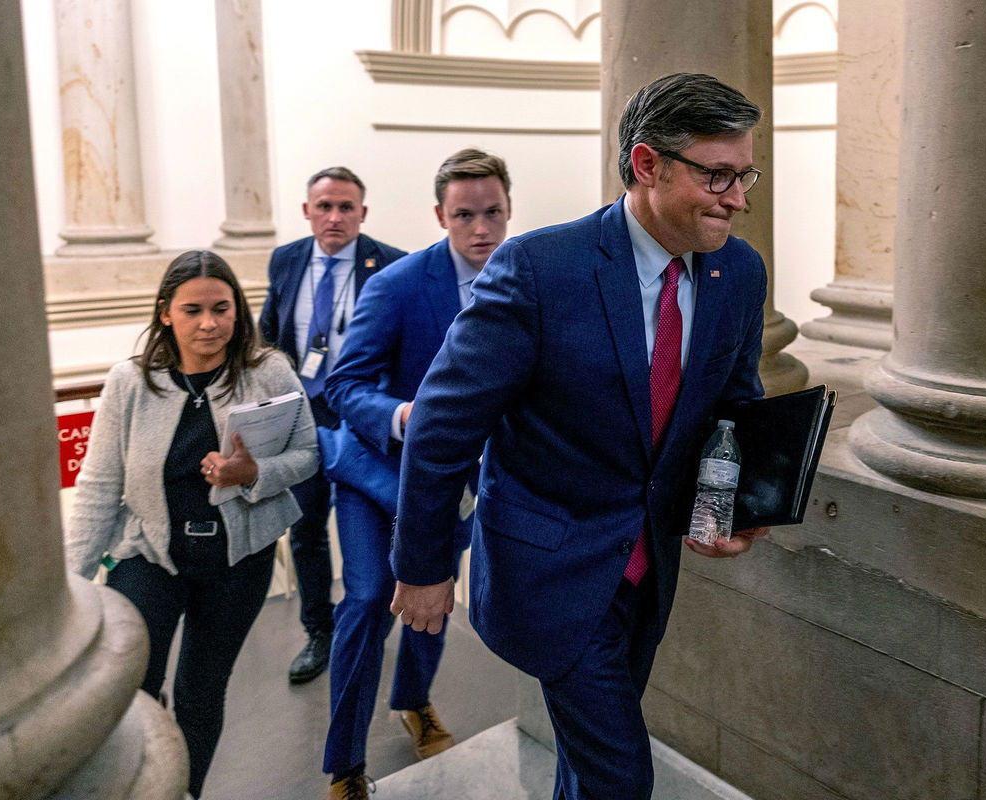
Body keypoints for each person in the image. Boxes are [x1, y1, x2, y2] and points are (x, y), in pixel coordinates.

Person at [389, 74, 773, 799]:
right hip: (550, 572)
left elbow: (734, 406)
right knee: (620, 777)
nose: (738, 198)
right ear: (648, 164)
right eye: (717, 175)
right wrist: (424, 564)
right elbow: (443, 423)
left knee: (588, 765)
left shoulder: (738, 272)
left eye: (743, 174)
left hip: (649, 566)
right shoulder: (541, 269)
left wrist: (737, 505)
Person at [66, 250, 318, 798]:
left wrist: (254, 472)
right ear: (165, 314)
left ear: (237, 311)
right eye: (193, 310)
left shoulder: (267, 371)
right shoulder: (130, 383)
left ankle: (185, 791)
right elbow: (99, 488)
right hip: (151, 556)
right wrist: (69, 584)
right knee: (133, 688)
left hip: (237, 563)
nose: (209, 323)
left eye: (222, 308)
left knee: (201, 694)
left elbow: (307, 454)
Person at [319, 148, 513, 799]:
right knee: (371, 599)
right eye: (465, 215)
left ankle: (413, 701)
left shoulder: (523, 280)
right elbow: (345, 385)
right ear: (440, 215)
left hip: (458, 483)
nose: (481, 228)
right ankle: (345, 764)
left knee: (432, 604)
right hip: (376, 473)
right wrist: (405, 416)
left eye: (492, 213)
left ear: (508, 209)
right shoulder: (397, 284)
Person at [259, 167, 407, 684]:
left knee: (376, 522)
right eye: (324, 206)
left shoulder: (390, 265)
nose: (335, 217)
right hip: (304, 419)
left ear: (362, 213)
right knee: (306, 529)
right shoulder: (286, 260)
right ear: (307, 211)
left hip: (364, 419)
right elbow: (270, 339)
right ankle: (318, 632)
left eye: (346, 207)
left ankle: (376, 618)